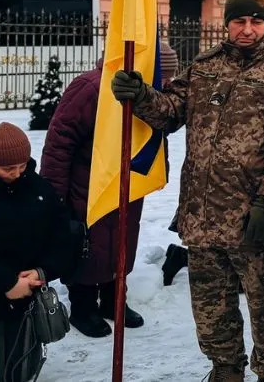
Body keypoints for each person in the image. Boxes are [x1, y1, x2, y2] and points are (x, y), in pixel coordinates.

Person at [109, 0, 264, 382]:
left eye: (256, 21)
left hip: (254, 214)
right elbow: (171, 112)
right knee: (210, 305)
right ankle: (225, 369)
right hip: (202, 214)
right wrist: (141, 95)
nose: (247, 29)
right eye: (239, 20)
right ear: (228, 23)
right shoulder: (206, 65)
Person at [40, 43, 179, 337]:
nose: (166, 84)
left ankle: (114, 301)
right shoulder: (90, 87)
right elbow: (59, 143)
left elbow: (155, 135)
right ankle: (83, 305)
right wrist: (55, 196)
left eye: (169, 77)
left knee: (121, 243)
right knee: (88, 246)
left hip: (128, 183)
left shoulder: (150, 95)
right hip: (88, 184)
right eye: (163, 76)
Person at [0, 122, 73, 381]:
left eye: (22, 166)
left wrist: (43, 271)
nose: (16, 173)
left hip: (27, 299)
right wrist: (7, 282)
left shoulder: (39, 189)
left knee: (21, 363)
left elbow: (62, 235)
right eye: (7, 168)